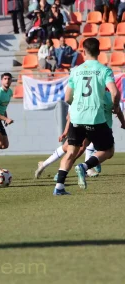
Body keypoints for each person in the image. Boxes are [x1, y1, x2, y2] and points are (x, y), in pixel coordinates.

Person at [52, 37, 121, 195]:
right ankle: (84, 166)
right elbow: (115, 92)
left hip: (76, 116)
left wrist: (77, 106)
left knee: (71, 151)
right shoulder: (104, 70)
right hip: (95, 116)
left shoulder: (75, 70)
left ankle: (59, 187)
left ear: (83, 51)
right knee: (108, 150)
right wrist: (115, 106)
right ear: (99, 51)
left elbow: (68, 97)